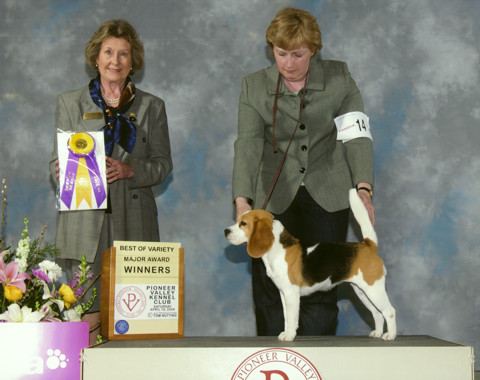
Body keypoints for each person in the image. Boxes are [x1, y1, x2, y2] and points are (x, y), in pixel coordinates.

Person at [232, 8, 375, 336]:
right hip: (272, 195)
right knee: (272, 289)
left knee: (322, 290)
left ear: (314, 49)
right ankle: (274, 361)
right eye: (281, 54)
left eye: (298, 54)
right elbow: (248, 144)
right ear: (272, 50)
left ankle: (317, 365)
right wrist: (243, 200)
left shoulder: (339, 78)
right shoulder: (254, 87)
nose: (289, 63)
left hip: (327, 192)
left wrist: (364, 189)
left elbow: (357, 137)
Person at [49, 19, 172, 342]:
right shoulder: (69, 102)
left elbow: (163, 165)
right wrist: (61, 172)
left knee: (135, 316)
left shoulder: (152, 107)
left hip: (136, 223)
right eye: (108, 52)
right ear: (95, 57)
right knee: (84, 315)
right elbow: (55, 162)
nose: (115, 61)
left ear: (134, 62)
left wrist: (131, 171)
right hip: (83, 223)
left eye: (123, 54)